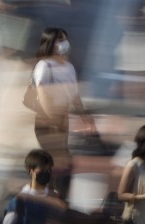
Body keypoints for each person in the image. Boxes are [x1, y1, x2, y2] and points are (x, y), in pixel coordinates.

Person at [30, 27, 95, 199]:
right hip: (48, 121)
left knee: (61, 163)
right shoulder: (44, 65)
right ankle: (49, 197)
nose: (64, 43)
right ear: (50, 42)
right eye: (60, 40)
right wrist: (55, 121)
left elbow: (74, 95)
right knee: (58, 162)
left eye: (65, 39)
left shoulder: (68, 67)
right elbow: (43, 95)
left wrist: (84, 116)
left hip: (62, 120)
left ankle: (56, 198)